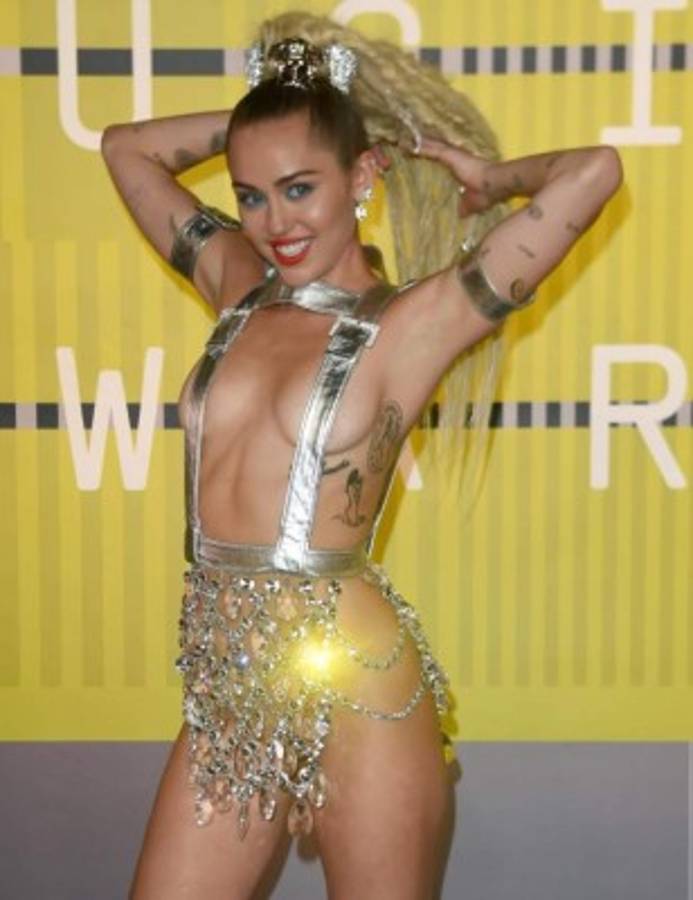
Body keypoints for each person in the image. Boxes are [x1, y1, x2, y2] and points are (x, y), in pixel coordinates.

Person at [100, 12, 622, 900]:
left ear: (363, 175)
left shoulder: (414, 323)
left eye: (300, 187)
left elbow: (594, 172)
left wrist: (487, 178)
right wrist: (275, 111)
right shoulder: (235, 284)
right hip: (231, 685)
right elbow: (124, 150)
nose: (274, 222)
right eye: (251, 195)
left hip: (358, 684)